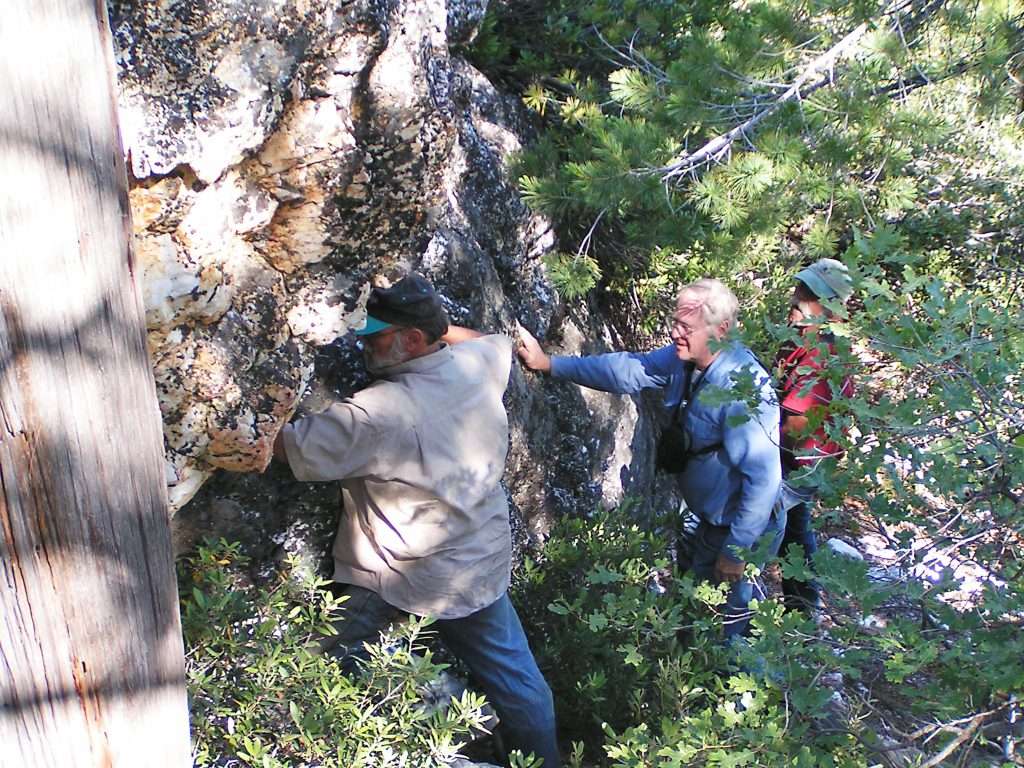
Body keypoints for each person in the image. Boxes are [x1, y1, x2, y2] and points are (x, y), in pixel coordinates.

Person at [273, 273, 559, 767]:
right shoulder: (477, 365)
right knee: (522, 686)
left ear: (410, 340)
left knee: (315, 676)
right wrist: (437, 329)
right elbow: (496, 342)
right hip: (478, 562)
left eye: (376, 334)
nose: (362, 342)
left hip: (399, 575)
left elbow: (279, 446)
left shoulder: (380, 413)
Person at [517, 278, 782, 639]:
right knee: (694, 616)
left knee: (725, 632)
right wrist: (550, 364)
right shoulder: (684, 361)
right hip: (702, 518)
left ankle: (735, 688)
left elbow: (765, 481)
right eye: (675, 323)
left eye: (685, 327)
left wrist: (736, 552)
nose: (674, 333)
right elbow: (626, 370)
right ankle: (686, 684)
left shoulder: (745, 390)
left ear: (721, 331)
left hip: (734, 529)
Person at [775, 258, 855, 615]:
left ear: (831, 309)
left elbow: (795, 429)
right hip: (805, 464)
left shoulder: (820, 358)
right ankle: (801, 610)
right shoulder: (805, 343)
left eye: (808, 295)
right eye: (800, 289)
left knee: (767, 530)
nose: (796, 299)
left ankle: (789, 614)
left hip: (798, 464)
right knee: (795, 533)